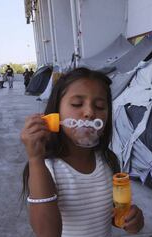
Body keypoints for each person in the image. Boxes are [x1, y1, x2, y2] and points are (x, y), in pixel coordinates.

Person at [20, 68, 144, 237]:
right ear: (56, 112)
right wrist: (35, 159)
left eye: (100, 106)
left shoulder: (109, 160)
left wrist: (131, 219)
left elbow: (110, 216)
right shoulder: (46, 167)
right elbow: (47, 233)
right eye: (77, 104)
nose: (90, 113)